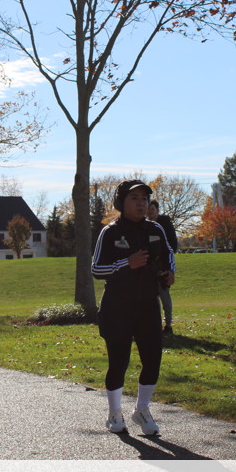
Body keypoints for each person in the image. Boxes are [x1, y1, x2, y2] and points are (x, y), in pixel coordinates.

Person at [92, 180, 175, 436]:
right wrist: (127, 263)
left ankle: (142, 409)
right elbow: (96, 269)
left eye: (144, 199)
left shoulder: (156, 229)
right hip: (117, 307)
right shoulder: (110, 232)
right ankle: (114, 413)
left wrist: (169, 272)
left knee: (153, 360)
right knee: (119, 362)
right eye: (134, 198)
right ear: (121, 202)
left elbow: (169, 255)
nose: (141, 203)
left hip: (148, 304)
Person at [148, 200, 179, 334]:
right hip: (149, 268)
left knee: (164, 296)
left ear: (157, 210)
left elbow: (172, 246)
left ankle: (168, 325)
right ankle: (154, 324)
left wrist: (168, 267)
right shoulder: (145, 226)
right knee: (151, 298)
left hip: (163, 267)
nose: (150, 212)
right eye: (148, 210)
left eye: (152, 209)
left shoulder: (165, 225)